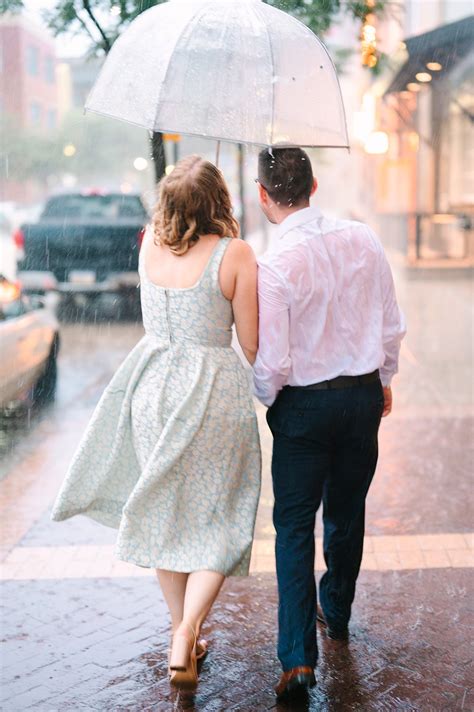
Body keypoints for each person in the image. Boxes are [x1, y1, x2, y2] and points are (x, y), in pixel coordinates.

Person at [52, 155, 262, 690]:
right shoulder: (234, 254)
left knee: (167, 517)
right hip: (210, 391)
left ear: (168, 202)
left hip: (151, 387)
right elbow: (253, 344)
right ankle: (187, 629)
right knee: (222, 521)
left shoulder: (148, 243)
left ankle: (180, 633)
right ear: (220, 200)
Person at [253, 147, 406, 700]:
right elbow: (391, 323)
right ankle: (336, 609)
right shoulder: (363, 239)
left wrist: (265, 397)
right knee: (346, 512)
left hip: (302, 406)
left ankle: (297, 660)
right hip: (362, 398)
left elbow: (272, 364)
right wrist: (382, 378)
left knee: (293, 528)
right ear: (315, 188)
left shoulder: (273, 267)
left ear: (264, 195)